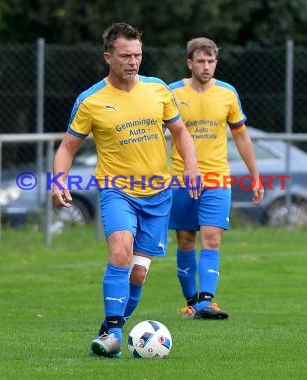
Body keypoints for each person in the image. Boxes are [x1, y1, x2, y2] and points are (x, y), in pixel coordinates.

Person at [52, 23, 201, 358]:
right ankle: (116, 332)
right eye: (125, 56)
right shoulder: (90, 100)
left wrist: (191, 164)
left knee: (137, 273)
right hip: (117, 191)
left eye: (138, 55)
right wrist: (58, 180)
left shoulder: (159, 90)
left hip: (158, 195)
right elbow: (67, 147)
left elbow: (180, 132)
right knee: (120, 252)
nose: (133, 61)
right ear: (109, 57)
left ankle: (108, 331)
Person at [168, 37, 264, 320]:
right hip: (182, 179)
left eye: (211, 61)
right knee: (185, 240)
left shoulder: (227, 94)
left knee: (212, 240)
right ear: (190, 63)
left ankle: (207, 302)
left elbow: (242, 136)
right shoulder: (172, 93)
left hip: (217, 178)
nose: (207, 66)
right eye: (201, 61)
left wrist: (255, 176)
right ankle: (191, 302)